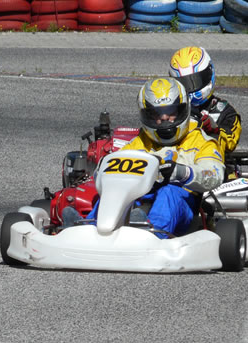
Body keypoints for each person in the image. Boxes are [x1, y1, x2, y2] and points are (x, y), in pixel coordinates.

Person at [66, 77, 225, 237]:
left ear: (183, 110)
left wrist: (182, 172)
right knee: (115, 190)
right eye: (157, 113)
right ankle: (88, 230)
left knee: (169, 192)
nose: (164, 118)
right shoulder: (140, 142)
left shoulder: (201, 141)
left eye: (171, 111)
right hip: (141, 197)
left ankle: (151, 234)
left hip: (182, 203)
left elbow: (215, 174)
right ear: (147, 115)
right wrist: (103, 169)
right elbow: (112, 167)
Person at [168, 46, 242, 154]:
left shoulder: (225, 112)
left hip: (209, 159)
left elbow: (231, 143)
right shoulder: (169, 110)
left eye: (195, 81)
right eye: (184, 84)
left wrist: (214, 129)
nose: (190, 88)